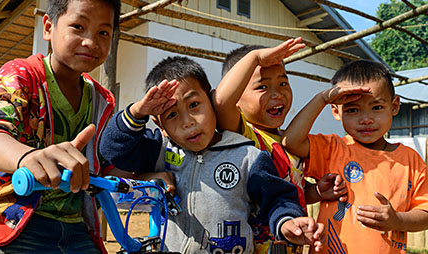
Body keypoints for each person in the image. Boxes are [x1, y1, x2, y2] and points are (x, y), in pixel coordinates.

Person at [0, 0, 134, 253]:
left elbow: (100, 167)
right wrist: (25, 157)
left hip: (76, 228)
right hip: (9, 220)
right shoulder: (22, 74)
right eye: (78, 27)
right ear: (48, 28)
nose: (91, 42)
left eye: (104, 33)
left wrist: (146, 177)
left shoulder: (101, 100)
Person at [100, 56, 325, 253]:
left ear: (212, 100)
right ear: (159, 123)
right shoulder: (159, 149)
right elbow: (113, 151)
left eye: (194, 105)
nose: (187, 122)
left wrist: (287, 222)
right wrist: (137, 112)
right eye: (172, 115)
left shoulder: (247, 156)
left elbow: (278, 197)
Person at [213, 40, 347, 253]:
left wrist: (317, 191)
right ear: (237, 98)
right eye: (263, 87)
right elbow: (220, 102)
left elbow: (293, 189)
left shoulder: (289, 141)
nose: (277, 94)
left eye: (283, 83)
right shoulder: (243, 134)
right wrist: (254, 58)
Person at [281, 59, 428, 253]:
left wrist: (397, 220)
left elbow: (425, 213)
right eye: (352, 110)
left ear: (394, 106)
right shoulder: (332, 148)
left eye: (376, 107)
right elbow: (290, 141)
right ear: (336, 111)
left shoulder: (410, 160)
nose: (366, 119)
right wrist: (321, 99)